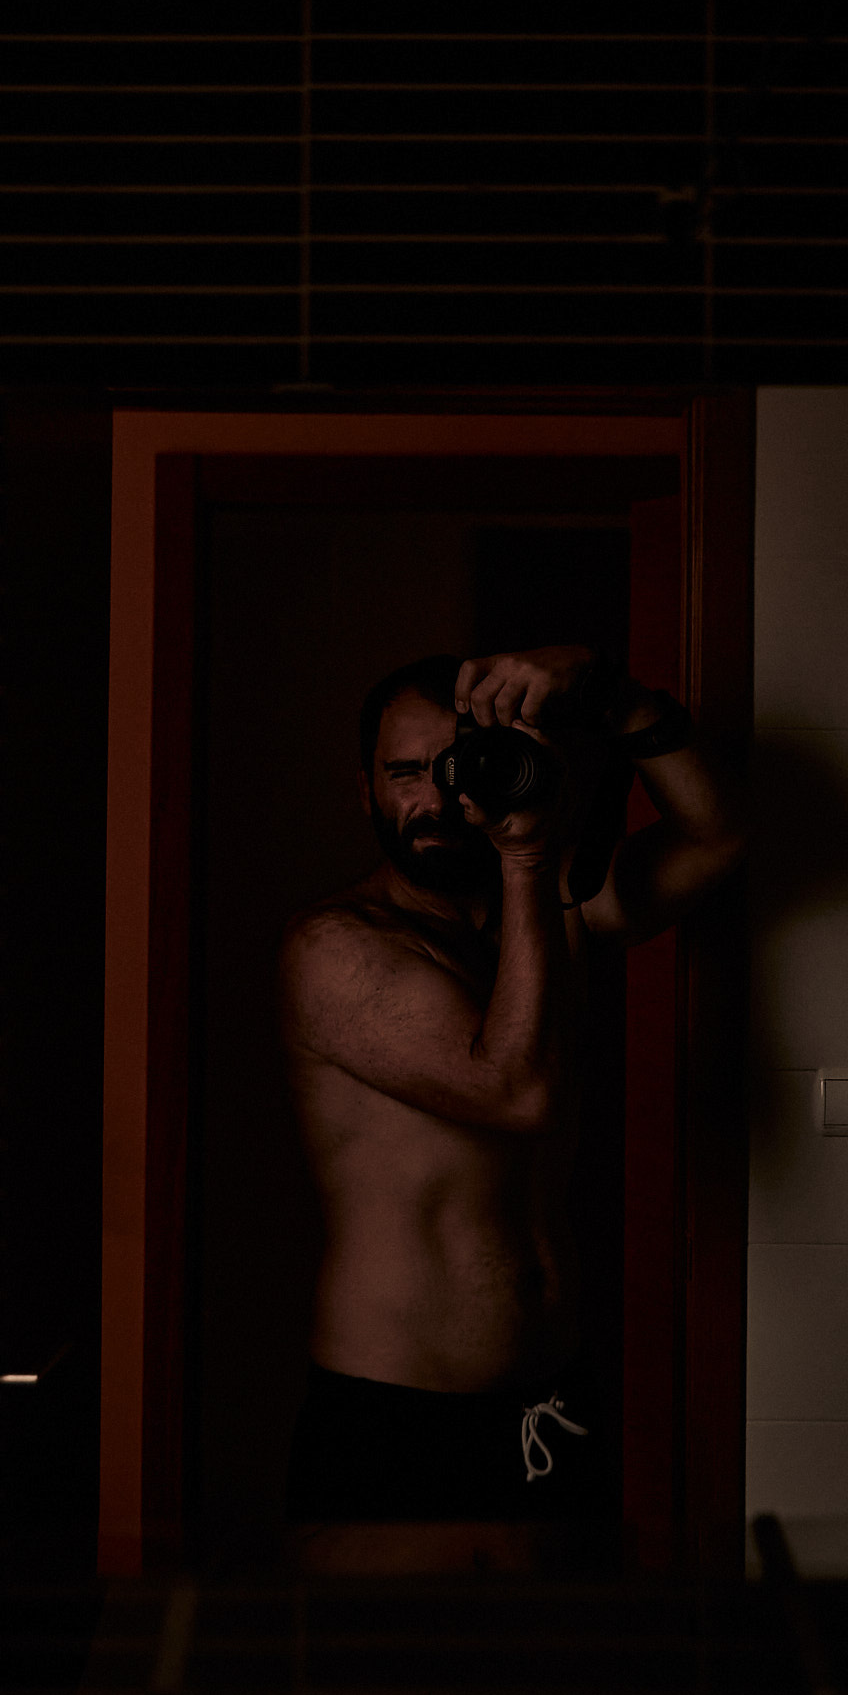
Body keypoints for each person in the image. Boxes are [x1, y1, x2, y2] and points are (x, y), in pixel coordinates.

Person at [278, 644, 747, 1536]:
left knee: (561, 1627)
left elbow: (717, 837)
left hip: (550, 1395)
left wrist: (617, 699)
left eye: (458, 766)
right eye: (405, 773)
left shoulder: (545, 912)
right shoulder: (334, 948)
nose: (436, 797)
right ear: (365, 791)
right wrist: (528, 858)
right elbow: (519, 1093)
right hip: (401, 1405)